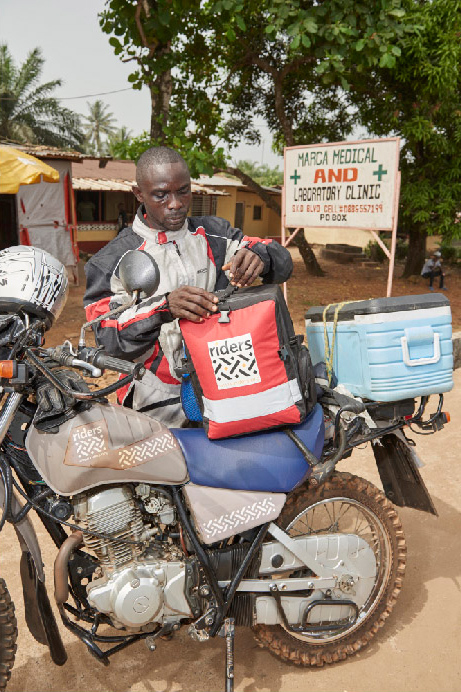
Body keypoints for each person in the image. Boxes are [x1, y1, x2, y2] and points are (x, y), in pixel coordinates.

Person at [83, 146, 293, 426]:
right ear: (139, 194)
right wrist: (163, 308)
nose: (175, 203)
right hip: (154, 398)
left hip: (224, 385)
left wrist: (261, 257)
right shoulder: (110, 261)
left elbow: (282, 262)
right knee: (164, 468)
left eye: (183, 191)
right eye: (161, 195)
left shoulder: (215, 235)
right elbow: (105, 337)